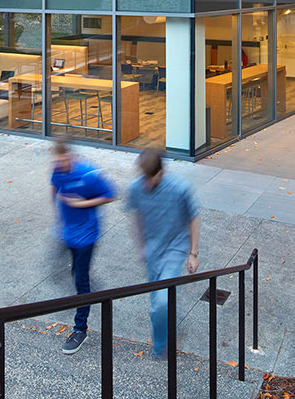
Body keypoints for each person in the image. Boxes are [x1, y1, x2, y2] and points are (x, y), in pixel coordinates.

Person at [126, 149, 200, 359]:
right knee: (158, 300)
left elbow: (194, 217)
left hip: (174, 249)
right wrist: (141, 245)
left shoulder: (180, 189)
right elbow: (136, 216)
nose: (146, 183)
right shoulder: (136, 188)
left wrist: (193, 253)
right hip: (152, 250)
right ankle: (169, 329)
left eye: (151, 178)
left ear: (161, 172)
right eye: (144, 177)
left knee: (159, 304)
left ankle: (161, 347)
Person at [50, 138, 116, 355]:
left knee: (81, 280)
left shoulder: (88, 174)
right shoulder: (58, 171)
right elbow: (54, 188)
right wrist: (59, 215)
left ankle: (80, 329)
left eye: (62, 160)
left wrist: (82, 203)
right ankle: (86, 288)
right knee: (72, 274)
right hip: (67, 234)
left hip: (87, 236)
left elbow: (111, 195)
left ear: (70, 156)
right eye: (56, 161)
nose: (59, 164)